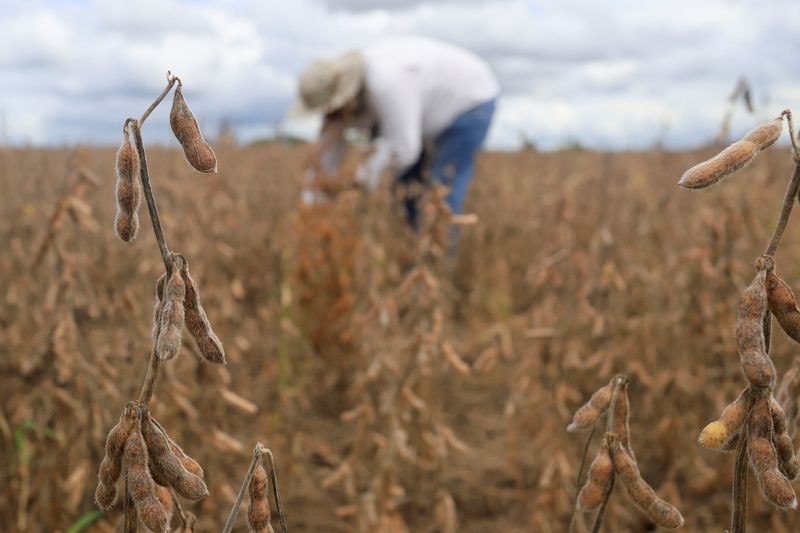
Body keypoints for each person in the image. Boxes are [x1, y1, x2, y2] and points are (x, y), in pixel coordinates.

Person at [290, 36, 500, 232]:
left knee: (441, 194)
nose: (330, 116)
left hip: (471, 101)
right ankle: (412, 255)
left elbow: (403, 149)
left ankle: (436, 264)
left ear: (344, 95)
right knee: (406, 190)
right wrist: (312, 205)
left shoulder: (387, 82)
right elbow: (326, 155)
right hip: (425, 119)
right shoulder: (340, 107)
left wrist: (357, 184)